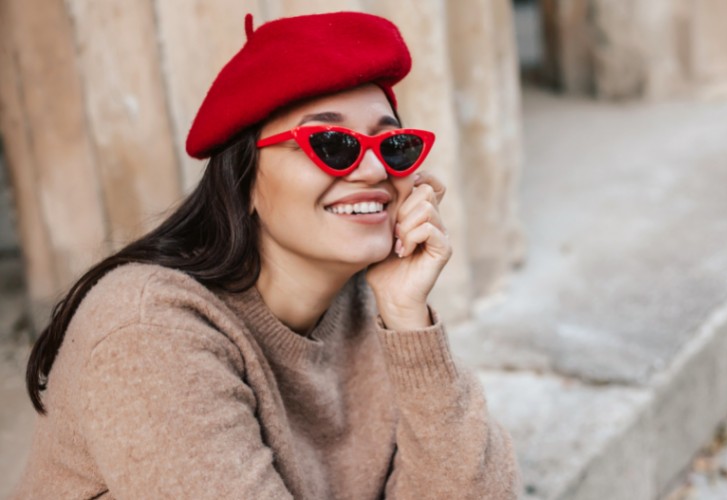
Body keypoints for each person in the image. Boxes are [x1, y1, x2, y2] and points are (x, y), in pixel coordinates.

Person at [13, 11, 519, 499]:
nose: (372, 170)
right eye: (332, 143)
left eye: (394, 146)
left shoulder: (376, 310)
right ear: (244, 179)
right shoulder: (147, 330)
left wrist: (412, 324)